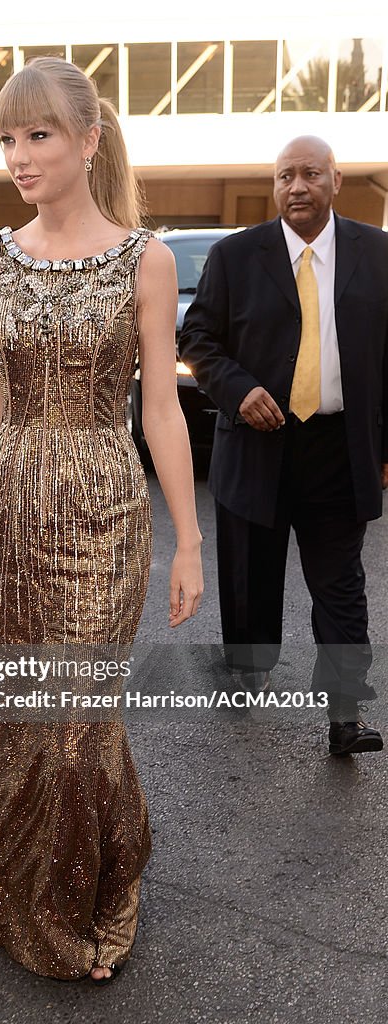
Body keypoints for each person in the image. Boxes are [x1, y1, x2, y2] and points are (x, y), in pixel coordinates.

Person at [0, 58, 203, 983]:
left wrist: (189, 542)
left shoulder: (149, 258)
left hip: (102, 506)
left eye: (37, 134)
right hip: (14, 502)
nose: (18, 154)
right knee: (26, 715)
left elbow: (161, 410)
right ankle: (30, 907)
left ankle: (93, 888)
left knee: (79, 719)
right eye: (6, 138)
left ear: (89, 140)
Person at [179, 135, 388, 756]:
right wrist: (238, 391)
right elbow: (198, 339)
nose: (297, 186)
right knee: (251, 578)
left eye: (310, 174)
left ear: (336, 181)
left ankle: (346, 714)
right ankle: (249, 670)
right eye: (285, 176)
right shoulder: (235, 256)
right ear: (275, 187)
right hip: (255, 446)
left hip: (338, 449)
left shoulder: (377, 255)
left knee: (340, 585)